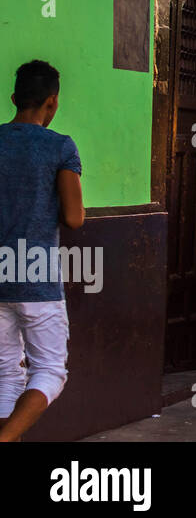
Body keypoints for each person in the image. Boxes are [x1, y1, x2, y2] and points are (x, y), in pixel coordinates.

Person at [0, 60, 85, 442]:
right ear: (52, 103)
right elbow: (74, 217)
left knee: (4, 372)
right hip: (36, 277)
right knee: (50, 371)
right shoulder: (60, 147)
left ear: (15, 98)